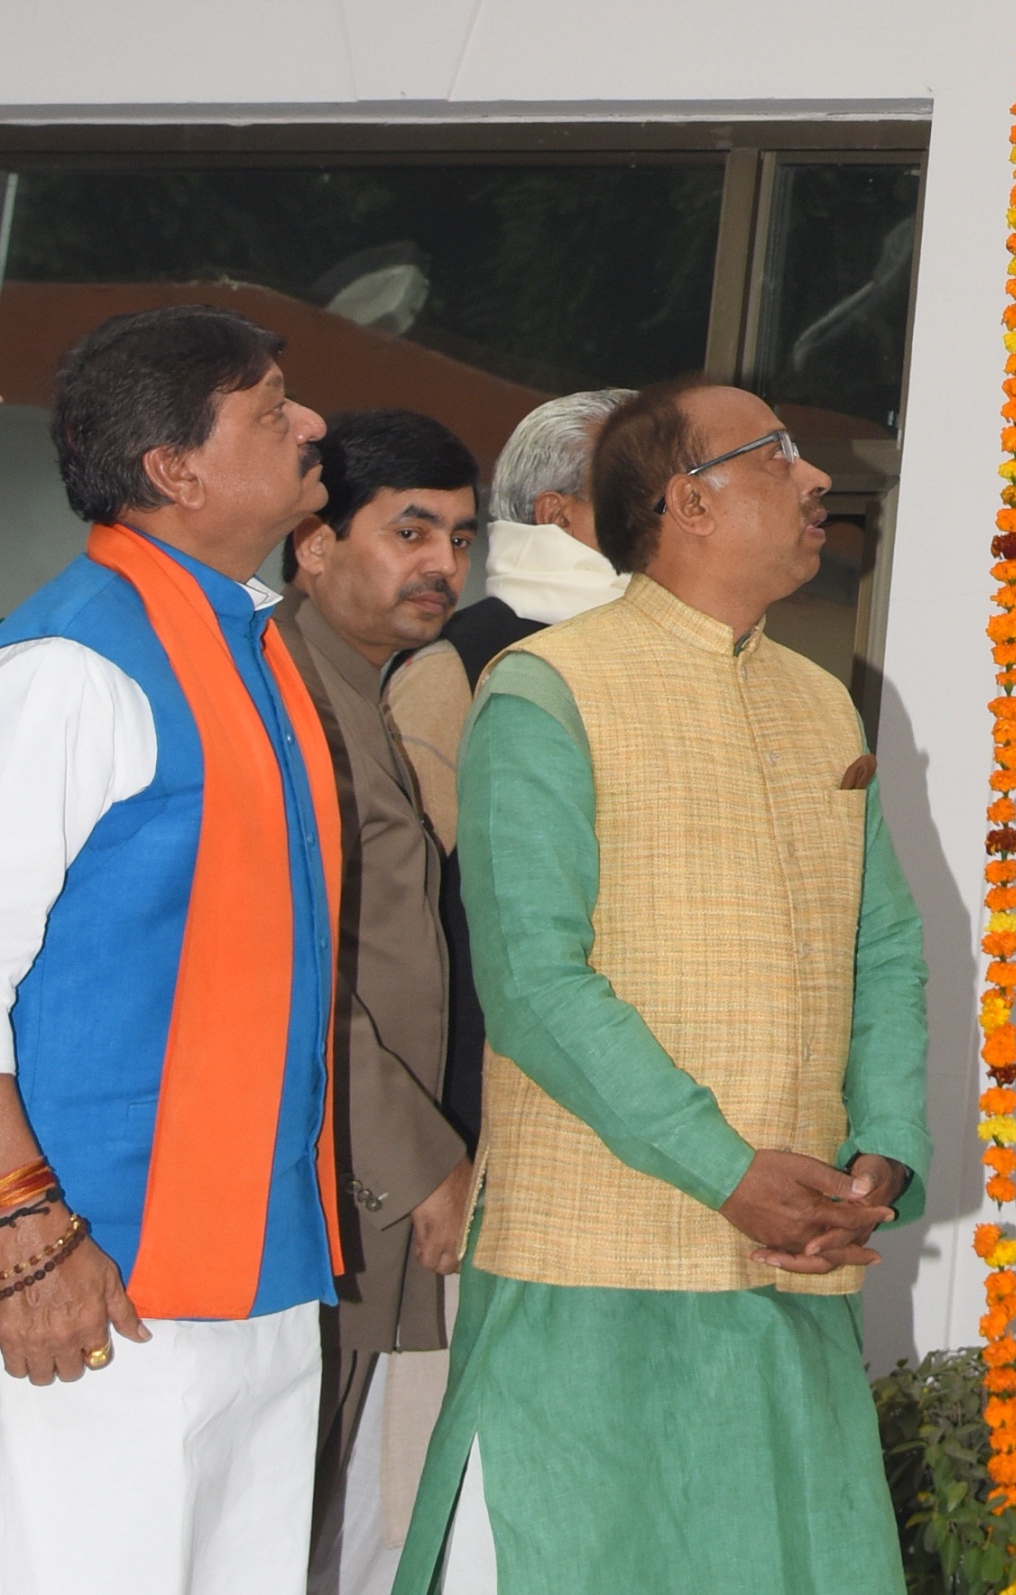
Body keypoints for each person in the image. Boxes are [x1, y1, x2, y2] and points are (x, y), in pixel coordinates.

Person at [396, 379, 926, 1595]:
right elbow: (533, 981)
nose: (813, 480)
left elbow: (883, 947)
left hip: (789, 1262)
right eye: (776, 457)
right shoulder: (544, 688)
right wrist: (727, 1171)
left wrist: (881, 1148)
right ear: (687, 500)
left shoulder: (817, 695)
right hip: (593, 1260)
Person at [0, 309, 342, 1592]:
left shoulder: (244, 641)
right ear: (172, 468)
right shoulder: (73, 661)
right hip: (91, 1278)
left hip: (251, 1266)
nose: (312, 425)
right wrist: (25, 1229)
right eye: (271, 407)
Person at [278, 414, 485, 1595]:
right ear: (313, 543)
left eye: (459, 535)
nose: (441, 564)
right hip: (315, 1191)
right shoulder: (285, 698)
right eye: (409, 528)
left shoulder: (363, 693)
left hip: (347, 1194)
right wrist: (420, 1161)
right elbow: (294, 974)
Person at [390, 390, 631, 842]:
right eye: (637, 494)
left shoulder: (685, 648)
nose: (668, 515)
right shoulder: (450, 668)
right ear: (556, 516)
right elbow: (410, 876)